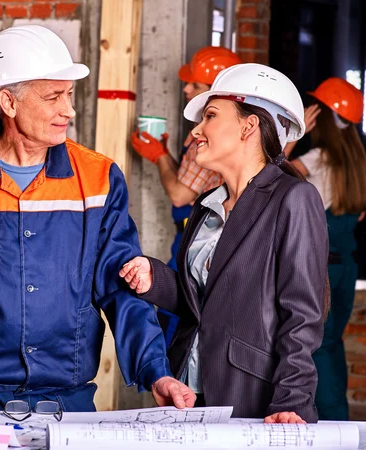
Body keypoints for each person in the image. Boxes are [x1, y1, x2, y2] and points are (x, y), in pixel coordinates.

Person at [0, 24, 195, 414]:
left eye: (69, 95)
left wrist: (155, 371)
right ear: (8, 102)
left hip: (65, 396)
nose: (69, 110)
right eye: (53, 96)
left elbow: (122, 285)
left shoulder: (97, 179)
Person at [120, 63, 329, 423]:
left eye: (210, 116)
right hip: (189, 392)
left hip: (252, 395)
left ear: (250, 126)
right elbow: (202, 304)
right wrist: (154, 278)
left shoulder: (293, 198)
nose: (196, 130)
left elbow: (302, 315)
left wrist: (291, 400)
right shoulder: (206, 204)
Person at [130, 46, 240, 346]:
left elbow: (180, 195)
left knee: (177, 324)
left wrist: (159, 157)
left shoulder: (201, 136)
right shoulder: (239, 135)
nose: (186, 89)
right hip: (222, 238)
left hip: (196, 238)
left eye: (195, 85)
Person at [284, 77, 366, 420]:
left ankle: (329, 424)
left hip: (322, 269)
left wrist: (293, 135)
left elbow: (270, 174)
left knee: (313, 347)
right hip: (346, 266)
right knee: (330, 346)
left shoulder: (317, 158)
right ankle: (338, 419)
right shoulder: (359, 163)